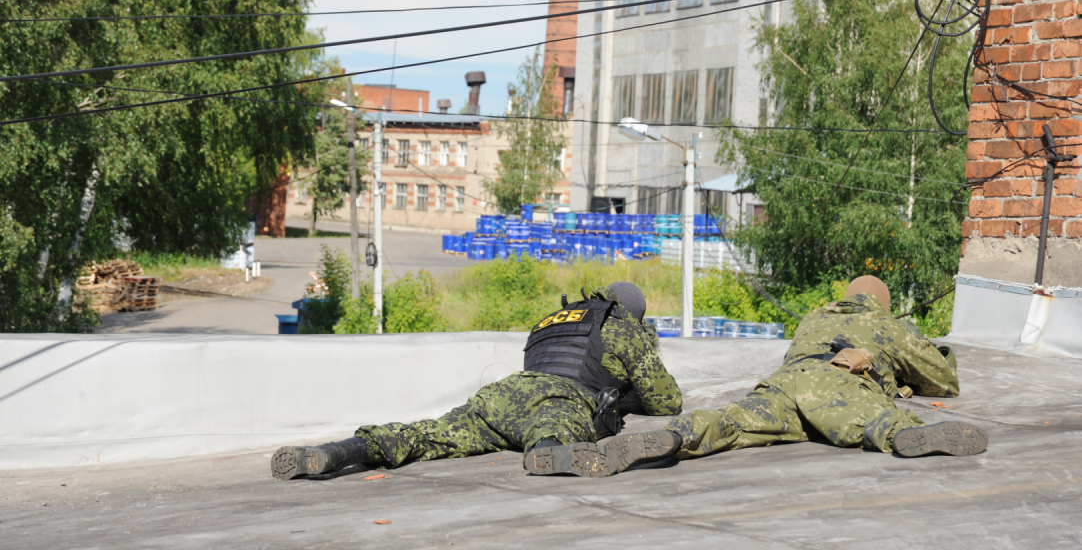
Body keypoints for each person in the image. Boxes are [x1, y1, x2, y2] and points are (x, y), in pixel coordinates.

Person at [574, 276, 988, 477]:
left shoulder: (814, 316)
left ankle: (678, 437)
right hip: (837, 381)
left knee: (734, 422)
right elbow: (943, 381)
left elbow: (801, 367)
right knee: (872, 420)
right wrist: (929, 353)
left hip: (785, 382)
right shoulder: (884, 324)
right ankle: (903, 435)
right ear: (881, 304)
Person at [271, 282, 682, 480]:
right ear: (632, 312)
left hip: (498, 397)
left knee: (429, 434)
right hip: (557, 399)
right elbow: (666, 401)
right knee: (554, 427)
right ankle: (549, 452)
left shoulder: (552, 319)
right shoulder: (624, 326)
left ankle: (341, 450)